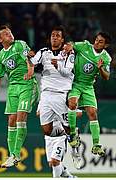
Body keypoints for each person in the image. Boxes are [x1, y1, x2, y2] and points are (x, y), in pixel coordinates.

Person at [30, 26, 80, 177]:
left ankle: (74, 149)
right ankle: (65, 171)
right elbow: (32, 62)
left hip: (61, 94)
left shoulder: (69, 53)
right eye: (53, 35)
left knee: (67, 128)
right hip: (46, 95)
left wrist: (57, 64)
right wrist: (28, 56)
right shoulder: (44, 52)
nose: (55, 38)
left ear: (62, 39)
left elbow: (67, 71)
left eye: (58, 36)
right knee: (46, 129)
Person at [0, 25, 39, 168]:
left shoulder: (20, 44)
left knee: (21, 116)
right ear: (0, 39)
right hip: (13, 88)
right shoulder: (0, 56)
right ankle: (12, 156)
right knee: (11, 120)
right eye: (6, 34)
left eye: (10, 32)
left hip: (27, 84)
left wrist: (30, 70)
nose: (10, 34)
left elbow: (30, 57)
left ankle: (16, 154)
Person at [64, 32, 112, 156]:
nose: (96, 42)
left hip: (88, 87)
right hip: (75, 83)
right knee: (72, 103)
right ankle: (73, 135)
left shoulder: (106, 58)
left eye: (100, 41)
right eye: (96, 39)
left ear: (106, 45)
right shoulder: (85, 46)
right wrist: (69, 46)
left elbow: (107, 77)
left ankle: (96, 145)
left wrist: (100, 68)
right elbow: (72, 45)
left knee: (92, 113)